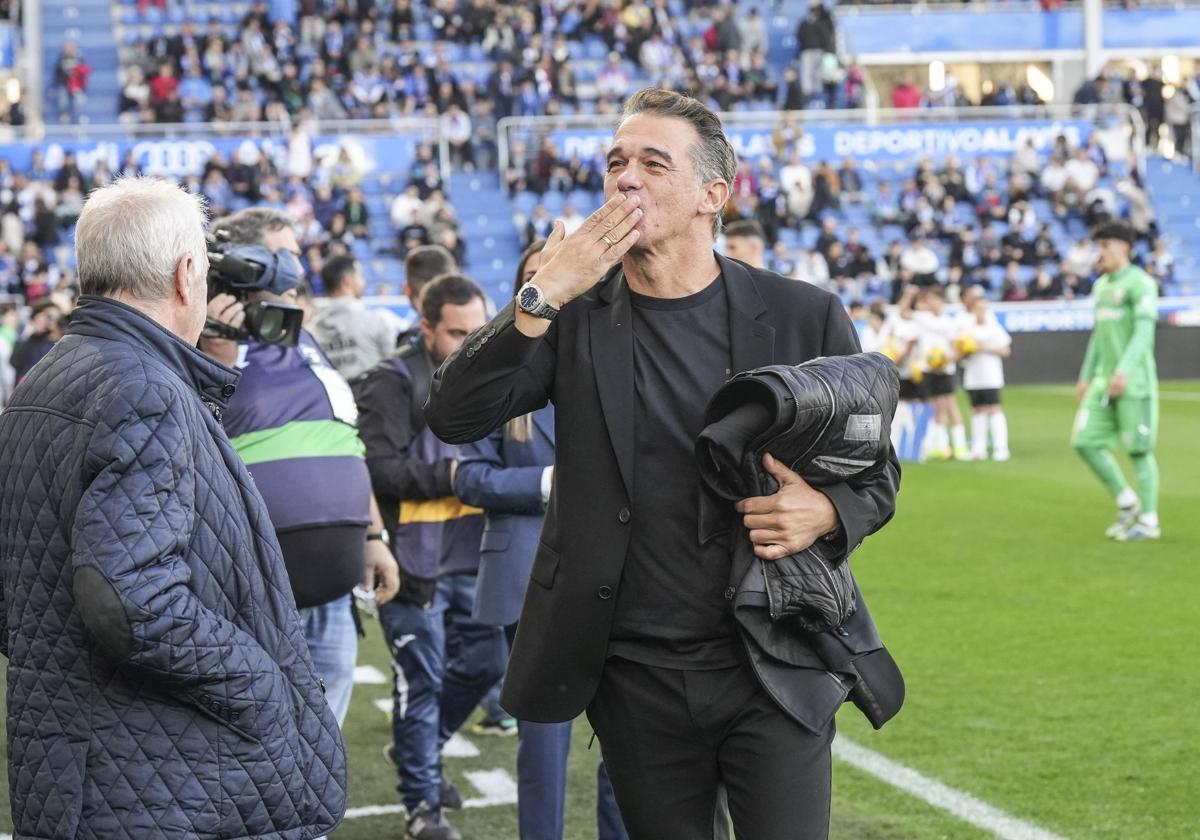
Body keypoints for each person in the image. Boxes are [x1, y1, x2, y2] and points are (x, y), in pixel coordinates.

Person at [425, 89, 901, 840]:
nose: (626, 179)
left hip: (773, 658)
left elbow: (877, 472)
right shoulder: (568, 313)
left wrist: (830, 511)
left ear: (714, 195)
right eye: (616, 162)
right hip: (634, 671)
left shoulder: (803, 314)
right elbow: (453, 414)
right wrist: (542, 292)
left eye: (653, 162)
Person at [0, 177, 347, 838]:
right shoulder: (141, 388)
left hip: (86, 764)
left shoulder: (47, 376)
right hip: (159, 778)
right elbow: (129, 598)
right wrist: (258, 682)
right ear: (190, 273)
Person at [454, 240, 629, 840]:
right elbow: (468, 477)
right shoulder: (499, 368)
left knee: (626, 740)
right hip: (529, 575)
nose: (550, 287)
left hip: (617, 575)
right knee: (543, 743)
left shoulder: (616, 354)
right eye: (535, 277)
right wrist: (545, 482)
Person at [200, 208, 400, 729]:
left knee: (320, 744)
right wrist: (216, 336)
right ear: (245, 262)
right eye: (283, 255)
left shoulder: (299, 336)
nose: (296, 269)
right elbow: (199, 430)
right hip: (257, 581)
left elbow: (343, 437)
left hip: (335, 578)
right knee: (260, 739)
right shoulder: (205, 334)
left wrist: (373, 534)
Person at [354, 273, 506, 840]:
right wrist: (456, 477)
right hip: (409, 561)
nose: (471, 343)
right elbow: (378, 470)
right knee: (421, 685)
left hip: (472, 553)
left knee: (488, 665)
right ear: (425, 328)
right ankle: (422, 804)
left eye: (478, 331)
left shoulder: (490, 373)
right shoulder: (389, 382)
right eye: (457, 333)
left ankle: (421, 755)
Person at [1072, 221, 1161, 541]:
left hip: (1134, 383)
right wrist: (1086, 374)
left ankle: (1149, 521)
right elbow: (1099, 335)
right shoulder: (1101, 286)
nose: (1101, 252)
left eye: (1106, 245)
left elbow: (1143, 333)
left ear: (1125, 247)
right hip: (1102, 382)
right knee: (1083, 442)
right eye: (1099, 246)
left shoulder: (1141, 284)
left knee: (1138, 451)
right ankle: (1127, 501)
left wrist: (1123, 370)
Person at [309, 254, 399, 379]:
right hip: (374, 396)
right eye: (360, 276)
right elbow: (396, 369)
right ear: (347, 281)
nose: (363, 282)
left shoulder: (311, 331)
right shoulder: (376, 320)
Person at [956, 288, 1012, 461]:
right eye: (977, 308)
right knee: (976, 410)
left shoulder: (993, 326)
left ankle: (1000, 447)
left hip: (990, 375)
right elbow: (961, 351)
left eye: (983, 308)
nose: (981, 311)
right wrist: (967, 350)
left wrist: (984, 347)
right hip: (973, 375)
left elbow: (1005, 350)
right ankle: (978, 448)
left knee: (994, 409)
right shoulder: (966, 328)